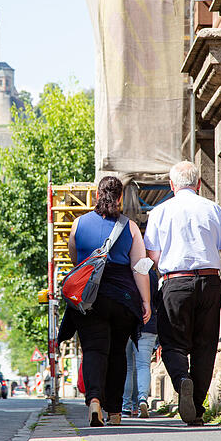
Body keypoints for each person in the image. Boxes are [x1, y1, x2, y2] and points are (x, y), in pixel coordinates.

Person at [144, 161, 221, 426]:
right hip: (209, 282)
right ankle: (196, 408)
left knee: (172, 342)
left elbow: (153, 255)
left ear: (172, 185)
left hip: (175, 283)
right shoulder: (213, 209)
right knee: (205, 345)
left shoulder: (160, 212)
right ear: (198, 184)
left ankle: (181, 380)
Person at [67, 175, 152, 427]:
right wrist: (145, 302)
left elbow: (76, 260)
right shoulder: (131, 227)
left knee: (93, 350)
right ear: (120, 199)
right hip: (122, 299)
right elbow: (140, 268)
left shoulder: (78, 224)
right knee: (117, 353)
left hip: (89, 300)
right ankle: (115, 411)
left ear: (96, 196)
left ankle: (94, 400)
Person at [121, 268, 159, 418]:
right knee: (144, 365)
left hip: (126, 323)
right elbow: (156, 298)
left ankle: (126, 407)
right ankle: (142, 399)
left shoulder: (123, 270)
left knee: (127, 367)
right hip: (148, 323)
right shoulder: (150, 272)